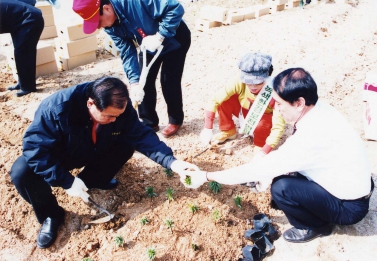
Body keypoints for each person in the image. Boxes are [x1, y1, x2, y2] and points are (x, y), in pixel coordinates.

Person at [182, 68, 374, 243]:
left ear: (299, 102)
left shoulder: (311, 137)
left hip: (349, 207)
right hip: (353, 182)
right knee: (283, 175)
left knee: (282, 188)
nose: (276, 108)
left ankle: (316, 226)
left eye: (280, 104)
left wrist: (206, 176)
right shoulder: (321, 109)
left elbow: (256, 170)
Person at [9, 76, 199, 249]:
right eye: (109, 116)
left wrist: (172, 162)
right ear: (91, 103)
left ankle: (93, 180)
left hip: (96, 147)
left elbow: (140, 134)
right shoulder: (57, 108)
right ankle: (51, 214)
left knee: (127, 143)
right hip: (63, 154)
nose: (114, 119)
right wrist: (67, 181)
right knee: (21, 172)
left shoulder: (119, 108)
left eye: (117, 116)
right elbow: (35, 150)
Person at [72, 0, 191, 138]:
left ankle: (175, 120)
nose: (98, 27)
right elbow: (127, 52)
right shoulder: (110, 26)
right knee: (142, 81)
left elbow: (175, 8)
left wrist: (160, 36)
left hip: (174, 39)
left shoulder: (135, 2)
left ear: (106, 8)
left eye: (98, 22)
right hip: (148, 43)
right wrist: (134, 82)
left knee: (169, 80)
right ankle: (149, 122)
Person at [200, 52, 285, 154]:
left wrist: (265, 151)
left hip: (264, 121)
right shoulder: (238, 81)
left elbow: (278, 126)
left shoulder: (275, 90)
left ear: (267, 76)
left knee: (262, 125)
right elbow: (214, 100)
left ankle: (260, 144)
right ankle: (228, 130)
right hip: (243, 112)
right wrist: (207, 128)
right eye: (248, 82)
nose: (253, 87)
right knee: (224, 100)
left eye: (258, 82)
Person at [0, 0, 44, 97]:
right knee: (20, 52)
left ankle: (28, 87)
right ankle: (23, 82)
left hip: (30, 19)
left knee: (23, 53)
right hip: (19, 21)